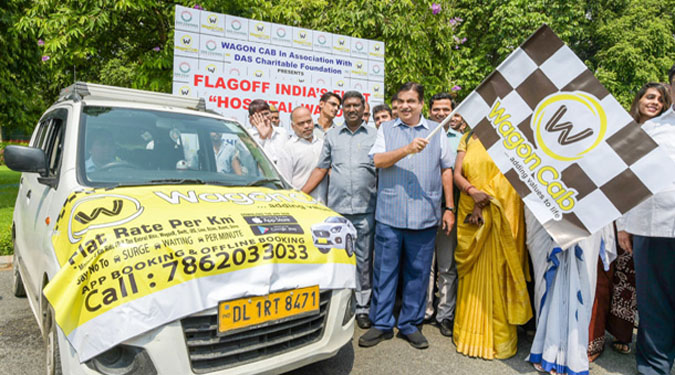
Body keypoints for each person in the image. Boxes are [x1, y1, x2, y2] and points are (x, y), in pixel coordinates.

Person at [359, 82, 455, 350]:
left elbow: (446, 170)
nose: (404, 106)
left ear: (421, 104)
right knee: (384, 272)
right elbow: (377, 161)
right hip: (390, 216)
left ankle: (410, 324)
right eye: (400, 101)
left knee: (418, 273)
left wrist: (449, 208)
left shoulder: (437, 132)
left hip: (425, 216)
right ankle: (381, 323)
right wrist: (406, 149)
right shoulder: (386, 129)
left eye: (410, 101)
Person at [587, 82, 672, 362]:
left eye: (660, 99)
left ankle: (629, 338)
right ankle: (646, 362)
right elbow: (621, 175)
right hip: (632, 220)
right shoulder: (637, 130)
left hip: (651, 222)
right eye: (649, 97)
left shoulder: (658, 128)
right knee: (643, 295)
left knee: (638, 286)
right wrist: (622, 222)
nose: (655, 102)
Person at [452, 126, 532, 359]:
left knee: (499, 271)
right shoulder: (467, 138)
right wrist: (471, 191)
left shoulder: (510, 139)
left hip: (501, 215)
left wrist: (481, 201)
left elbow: (509, 176)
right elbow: (457, 173)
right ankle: (468, 334)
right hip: (470, 213)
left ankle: (499, 340)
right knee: (471, 274)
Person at [302, 91, 377, 330]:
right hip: (338, 211)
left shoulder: (376, 135)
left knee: (364, 261)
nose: (352, 109)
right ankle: (340, 308)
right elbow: (321, 168)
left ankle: (363, 308)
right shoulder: (332, 136)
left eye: (356, 105)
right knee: (338, 261)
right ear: (342, 109)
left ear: (363, 107)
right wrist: (300, 194)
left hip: (366, 209)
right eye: (348, 105)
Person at [615, 77, 674, 375]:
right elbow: (628, 178)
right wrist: (623, 224)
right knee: (654, 303)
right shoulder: (652, 129)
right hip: (654, 228)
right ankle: (654, 367)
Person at [526, 210, 615, 375]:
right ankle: (545, 350)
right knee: (547, 282)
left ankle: (573, 355)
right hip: (547, 206)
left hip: (587, 211)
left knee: (581, 283)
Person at [423, 93, 464, 337]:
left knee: (447, 266)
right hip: (424, 211)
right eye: (436, 109)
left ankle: (445, 314)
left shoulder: (461, 140)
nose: (440, 113)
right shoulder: (422, 136)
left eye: (445, 109)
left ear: (453, 113)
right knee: (425, 266)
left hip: (450, 210)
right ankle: (425, 311)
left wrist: (451, 208)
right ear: (429, 111)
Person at [277, 106, 326, 203]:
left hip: (325, 207)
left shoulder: (323, 144)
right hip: (300, 206)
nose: (307, 126)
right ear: (292, 126)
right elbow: (284, 184)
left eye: (309, 121)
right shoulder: (288, 149)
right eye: (301, 123)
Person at [248, 99, 288, 165]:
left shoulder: (282, 132)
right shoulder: (248, 135)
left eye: (266, 113)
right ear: (252, 118)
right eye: (260, 115)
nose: (265, 118)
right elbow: (249, 161)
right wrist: (262, 138)